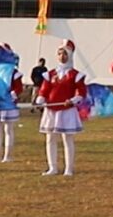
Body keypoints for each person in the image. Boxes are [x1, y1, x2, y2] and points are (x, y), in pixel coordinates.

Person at [35, 40, 87, 177]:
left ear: (69, 55)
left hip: (67, 111)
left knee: (67, 139)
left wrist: (73, 100)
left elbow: (81, 93)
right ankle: (52, 167)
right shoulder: (51, 74)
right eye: (59, 54)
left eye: (64, 54)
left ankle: (68, 168)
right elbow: (44, 90)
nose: (61, 56)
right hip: (51, 110)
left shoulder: (75, 75)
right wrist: (40, 99)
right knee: (50, 139)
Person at [0, 44, 24, 164]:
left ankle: (8, 156)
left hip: (8, 104)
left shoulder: (14, 72)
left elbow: (18, 87)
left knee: (8, 130)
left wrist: (11, 95)